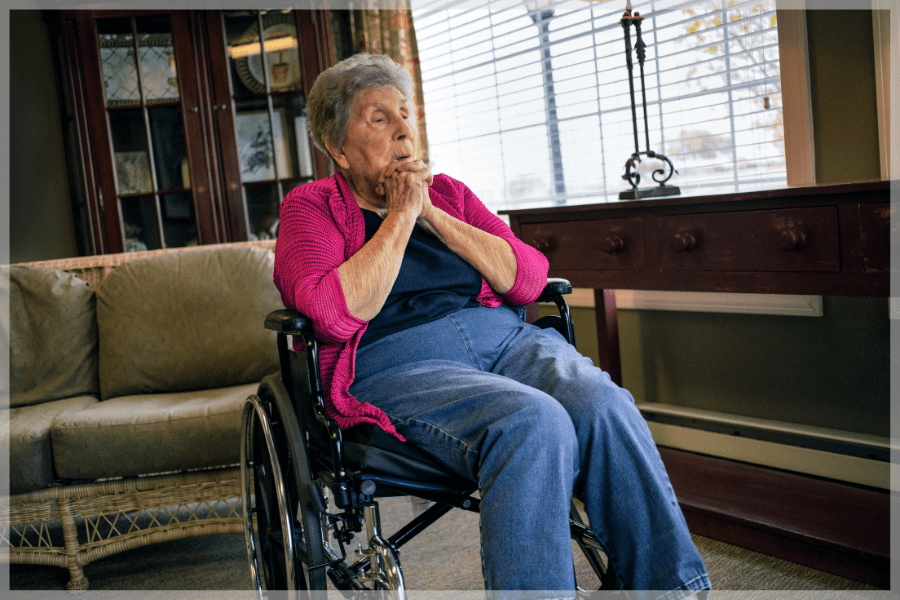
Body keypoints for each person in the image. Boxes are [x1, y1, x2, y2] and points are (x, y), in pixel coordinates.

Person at [274, 53, 710, 599]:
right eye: (379, 117)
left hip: (504, 340)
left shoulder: (451, 194)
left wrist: (431, 212)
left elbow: (527, 279)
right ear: (337, 147)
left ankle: (670, 590)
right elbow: (330, 312)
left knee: (603, 403)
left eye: (406, 113)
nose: (405, 128)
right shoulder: (310, 208)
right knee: (532, 420)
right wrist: (400, 217)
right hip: (399, 363)